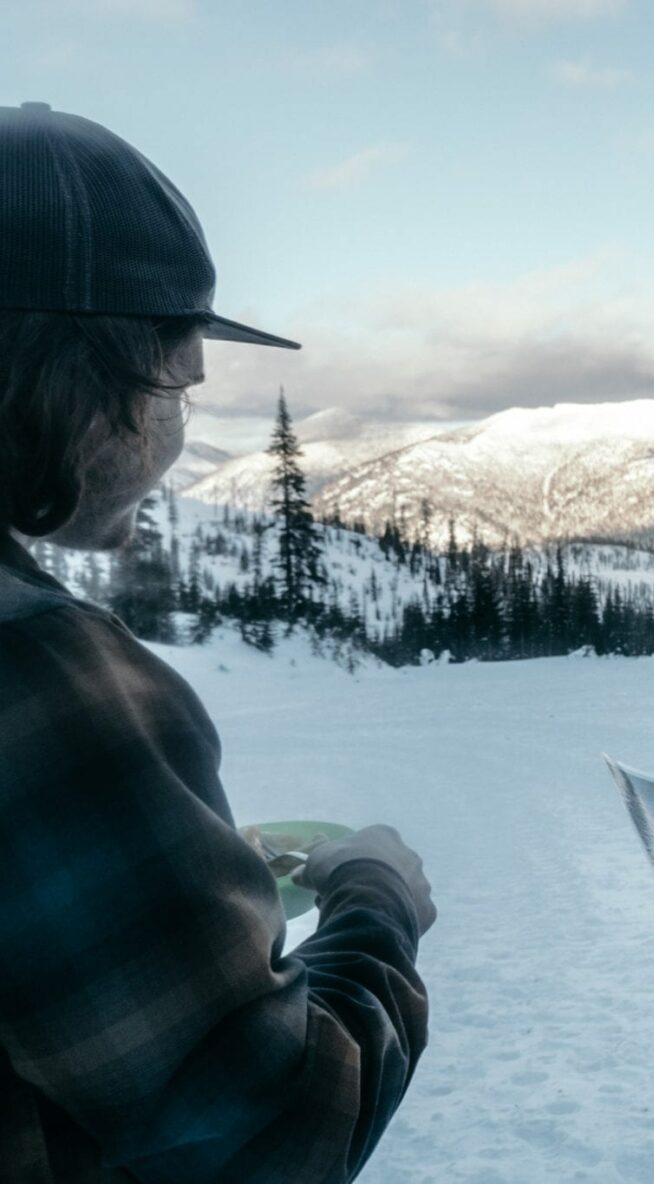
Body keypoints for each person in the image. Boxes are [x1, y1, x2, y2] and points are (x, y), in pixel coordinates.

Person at [0, 102, 436, 1183]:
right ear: (70, 376)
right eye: (178, 383)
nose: (178, 433)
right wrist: (377, 901)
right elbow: (269, 1131)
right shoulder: (38, 666)